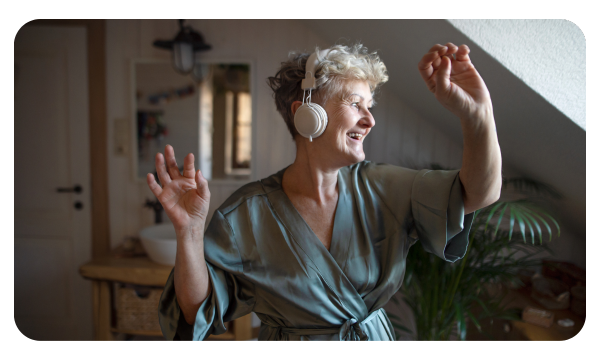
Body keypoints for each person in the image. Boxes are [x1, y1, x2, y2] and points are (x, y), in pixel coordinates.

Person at [150, 42, 502, 341]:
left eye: (370, 106)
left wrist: (477, 115)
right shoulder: (245, 215)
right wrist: (190, 232)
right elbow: (196, 310)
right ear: (306, 114)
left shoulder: (383, 187)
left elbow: (477, 193)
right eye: (355, 104)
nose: (370, 120)